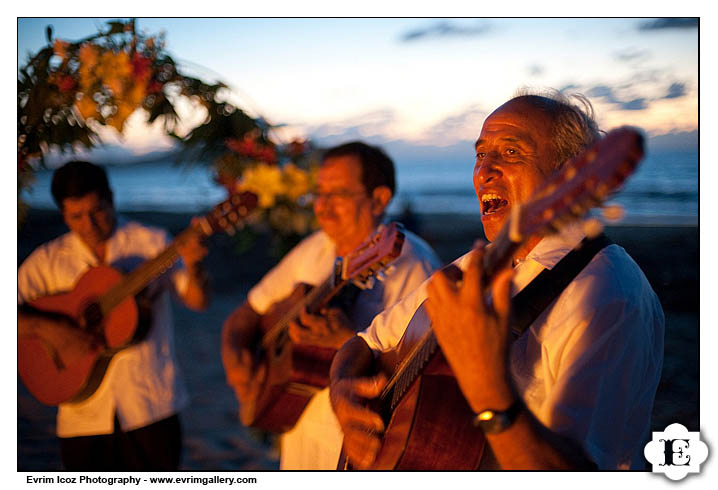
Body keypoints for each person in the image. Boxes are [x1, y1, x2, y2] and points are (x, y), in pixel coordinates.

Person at [329, 92, 665, 470]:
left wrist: (486, 382)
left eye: (509, 153)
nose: (483, 171)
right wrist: (342, 391)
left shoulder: (607, 293)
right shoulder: (477, 265)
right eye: (480, 154)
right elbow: (367, 342)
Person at [221, 141, 441, 470]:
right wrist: (235, 354)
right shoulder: (316, 247)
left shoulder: (416, 267)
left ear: (379, 199)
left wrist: (345, 342)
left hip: (359, 451)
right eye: (318, 194)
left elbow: (425, 386)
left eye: (336, 194)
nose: (321, 207)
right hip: (299, 436)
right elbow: (249, 311)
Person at [18, 160, 210, 471]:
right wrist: (52, 329)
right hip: (81, 416)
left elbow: (197, 301)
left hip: (151, 404)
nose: (89, 225)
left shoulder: (152, 243)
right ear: (62, 214)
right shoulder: (46, 261)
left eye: (97, 212)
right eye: (76, 217)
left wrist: (195, 266)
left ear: (111, 197)